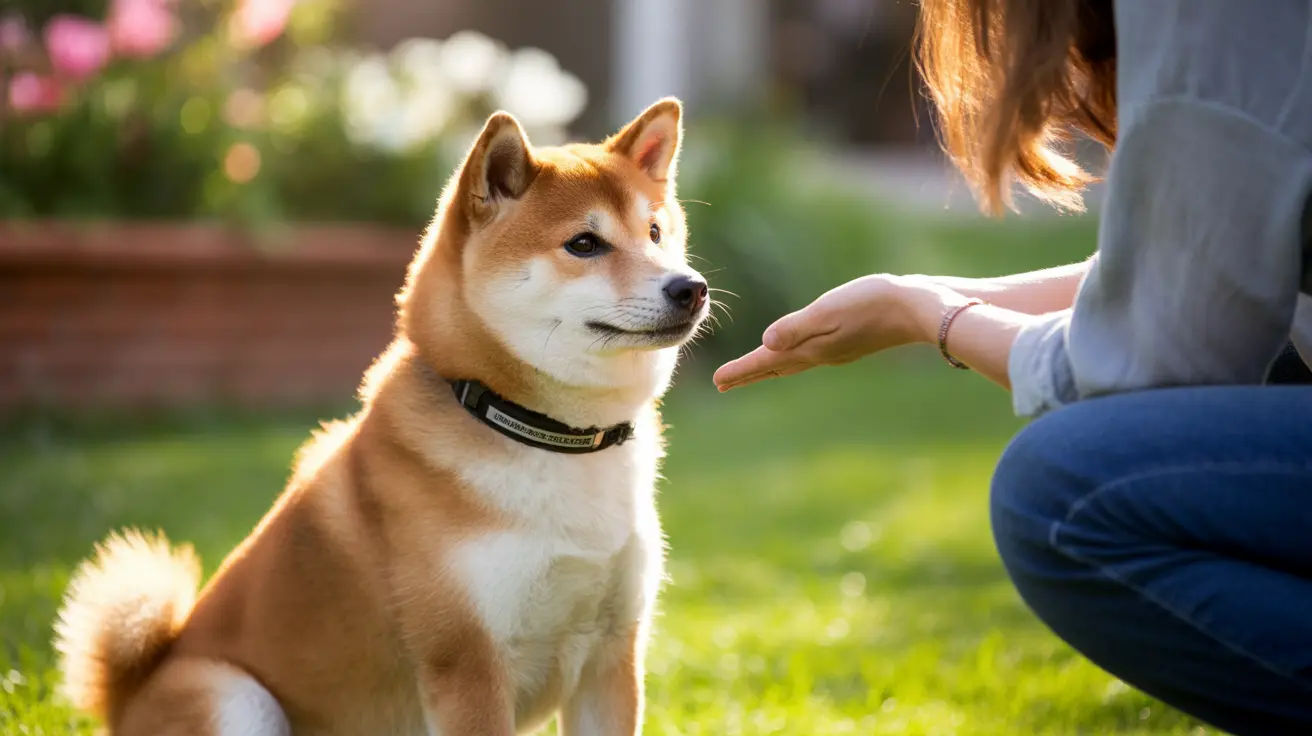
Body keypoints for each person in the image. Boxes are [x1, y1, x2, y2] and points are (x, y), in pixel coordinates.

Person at [713, 1, 1312, 733]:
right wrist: (929, 298)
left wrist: (924, 318)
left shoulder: (1205, 20)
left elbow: (1141, 370)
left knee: (1061, 489)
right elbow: (1193, 276)